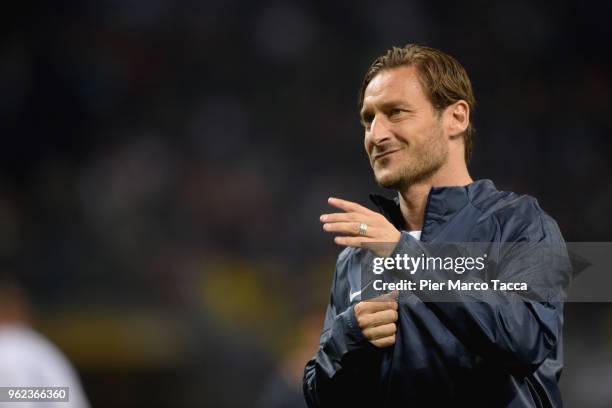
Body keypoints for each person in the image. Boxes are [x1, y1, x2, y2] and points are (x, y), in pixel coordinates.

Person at [303, 44, 571, 407]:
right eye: (369, 119)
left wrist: (404, 254)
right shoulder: (357, 257)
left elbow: (527, 338)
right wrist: (347, 337)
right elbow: (321, 397)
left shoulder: (517, 223)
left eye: (396, 113)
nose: (376, 134)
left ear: (456, 118)